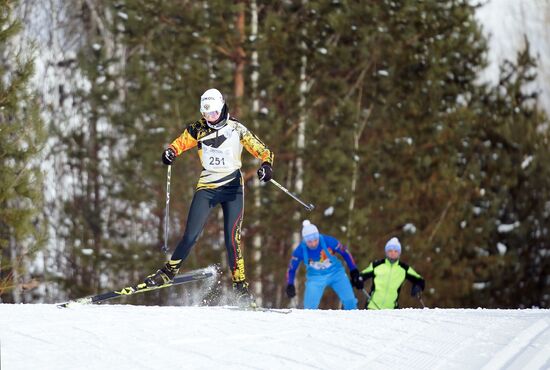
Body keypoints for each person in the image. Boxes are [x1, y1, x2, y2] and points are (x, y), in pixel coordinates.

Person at [143, 88, 274, 307]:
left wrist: (266, 166)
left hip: (232, 188)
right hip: (207, 186)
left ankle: (240, 287)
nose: (211, 118)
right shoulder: (197, 129)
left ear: (222, 107)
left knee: (232, 240)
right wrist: (170, 152)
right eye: (207, 115)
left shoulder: (237, 129)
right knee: (191, 235)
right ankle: (167, 273)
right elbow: (179, 143)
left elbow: (262, 150)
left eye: (214, 113)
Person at [285, 220, 363, 310]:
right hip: (315, 278)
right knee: (309, 309)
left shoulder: (329, 241)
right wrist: (290, 284)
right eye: (309, 242)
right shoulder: (299, 250)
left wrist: (354, 271)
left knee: (350, 301)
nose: (313, 244)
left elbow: (345, 253)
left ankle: (352, 320)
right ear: (305, 240)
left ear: (318, 236)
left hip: (336, 273)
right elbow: (291, 268)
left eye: (315, 240)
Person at [358, 237, 425, 309]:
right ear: (386, 252)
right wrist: (359, 280)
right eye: (390, 251)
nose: (393, 253)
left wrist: (418, 286)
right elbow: (360, 276)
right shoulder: (377, 265)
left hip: (391, 310)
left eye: (396, 251)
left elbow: (420, 280)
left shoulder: (404, 268)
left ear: (399, 253)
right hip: (371, 307)